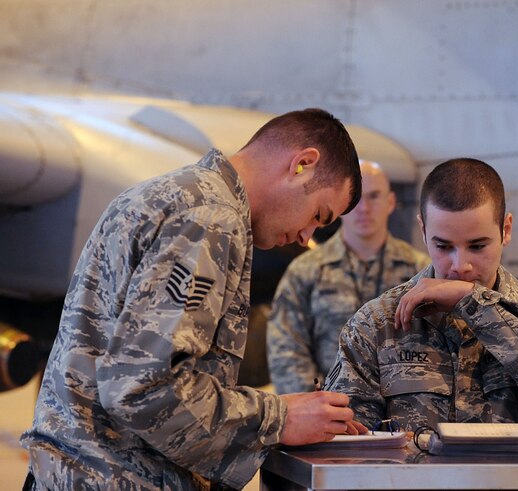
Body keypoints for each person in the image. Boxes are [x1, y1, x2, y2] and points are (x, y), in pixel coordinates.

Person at [20, 109, 369, 490]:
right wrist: (280, 417)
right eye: (318, 214)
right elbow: (143, 385)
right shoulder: (211, 219)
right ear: (302, 164)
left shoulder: (176, 193)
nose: (306, 237)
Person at [325, 158, 518, 431]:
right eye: (444, 247)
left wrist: (474, 302)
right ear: (423, 231)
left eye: (477, 246)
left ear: (505, 230)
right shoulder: (378, 324)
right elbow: (351, 442)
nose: (461, 266)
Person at [266, 160, 429, 394]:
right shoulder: (306, 270)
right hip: (328, 410)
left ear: (391, 202)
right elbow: (286, 348)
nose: (364, 208)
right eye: (357, 198)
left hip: (402, 409)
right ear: (341, 205)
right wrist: (313, 406)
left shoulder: (419, 271)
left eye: (374, 196)